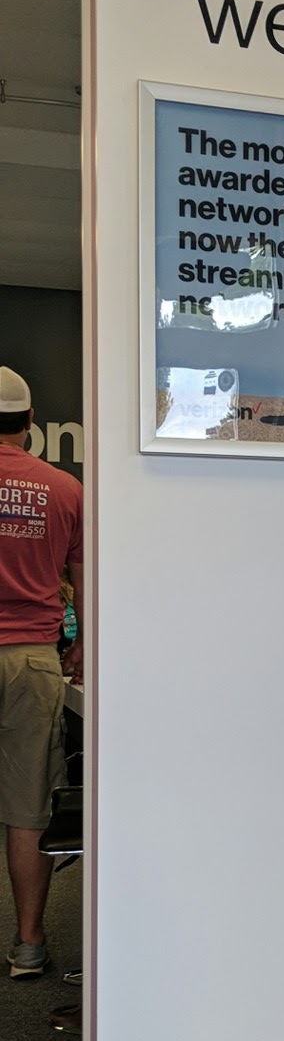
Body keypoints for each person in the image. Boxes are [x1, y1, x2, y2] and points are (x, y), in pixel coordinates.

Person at [0, 368, 83, 980]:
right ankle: (29, 944)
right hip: (32, 658)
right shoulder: (64, 488)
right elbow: (88, 581)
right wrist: (86, 646)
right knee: (29, 805)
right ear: (30, 422)